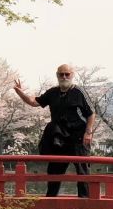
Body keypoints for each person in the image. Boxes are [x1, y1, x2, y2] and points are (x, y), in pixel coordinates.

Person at [13, 65, 97, 198]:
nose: (64, 77)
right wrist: (20, 92)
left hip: (78, 137)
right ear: (57, 75)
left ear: (72, 75)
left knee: (82, 171)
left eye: (67, 74)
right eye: (61, 74)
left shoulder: (78, 92)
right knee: (54, 170)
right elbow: (34, 102)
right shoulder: (52, 92)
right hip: (60, 138)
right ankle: (50, 201)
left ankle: (83, 202)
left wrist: (88, 132)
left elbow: (91, 113)